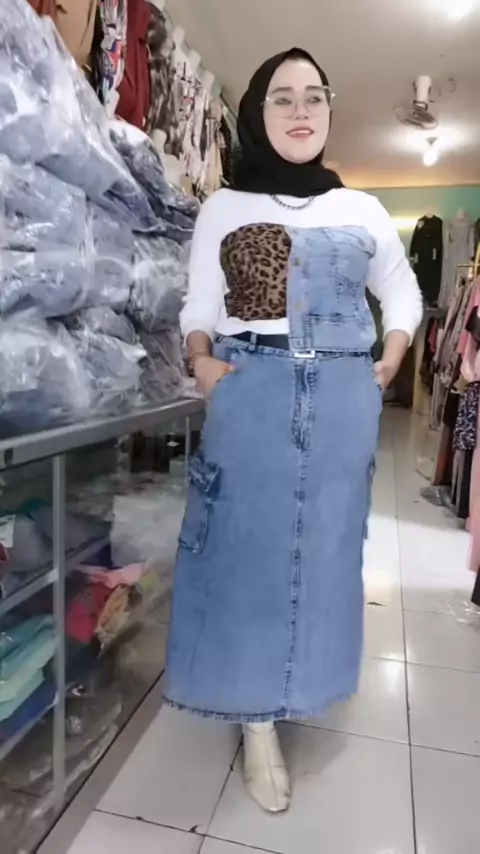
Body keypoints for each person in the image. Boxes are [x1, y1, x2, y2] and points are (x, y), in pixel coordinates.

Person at [164, 48, 422, 813]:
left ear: (330, 110)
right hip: (252, 386)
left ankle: (298, 687)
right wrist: (201, 361)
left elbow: (402, 293)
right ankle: (255, 722)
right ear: (258, 112)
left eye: (314, 95)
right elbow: (199, 304)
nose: (301, 110)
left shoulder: (361, 209)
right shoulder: (224, 206)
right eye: (283, 97)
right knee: (247, 553)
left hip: (342, 395)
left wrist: (389, 360)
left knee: (326, 551)